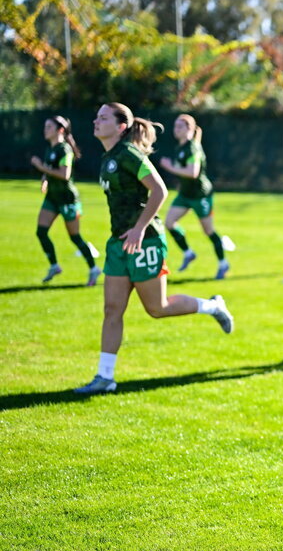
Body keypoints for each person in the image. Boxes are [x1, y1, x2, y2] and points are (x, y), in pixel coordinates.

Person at [74, 103, 234, 395]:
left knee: (157, 309)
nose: (96, 121)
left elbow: (159, 189)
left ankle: (213, 306)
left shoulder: (129, 154)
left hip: (144, 241)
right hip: (118, 244)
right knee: (112, 309)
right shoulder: (109, 156)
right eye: (96, 116)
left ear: (121, 126)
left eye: (104, 118)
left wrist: (139, 229)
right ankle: (105, 377)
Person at [30, 116, 101, 286]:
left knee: (75, 237)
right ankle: (54, 266)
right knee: (41, 231)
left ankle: (93, 269)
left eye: (49, 126)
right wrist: (45, 179)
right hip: (52, 198)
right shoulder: (51, 148)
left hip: (67, 199)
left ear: (60, 130)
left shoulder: (65, 150)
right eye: (45, 126)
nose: (45, 129)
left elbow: (64, 174)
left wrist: (41, 167)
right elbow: (51, 170)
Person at [159, 114, 229, 279]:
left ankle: (223, 264)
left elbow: (193, 172)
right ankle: (188, 253)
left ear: (190, 129)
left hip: (200, 195)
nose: (176, 129)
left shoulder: (192, 148)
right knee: (169, 223)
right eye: (175, 126)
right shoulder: (181, 147)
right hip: (185, 194)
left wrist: (170, 167)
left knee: (208, 231)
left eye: (180, 126)